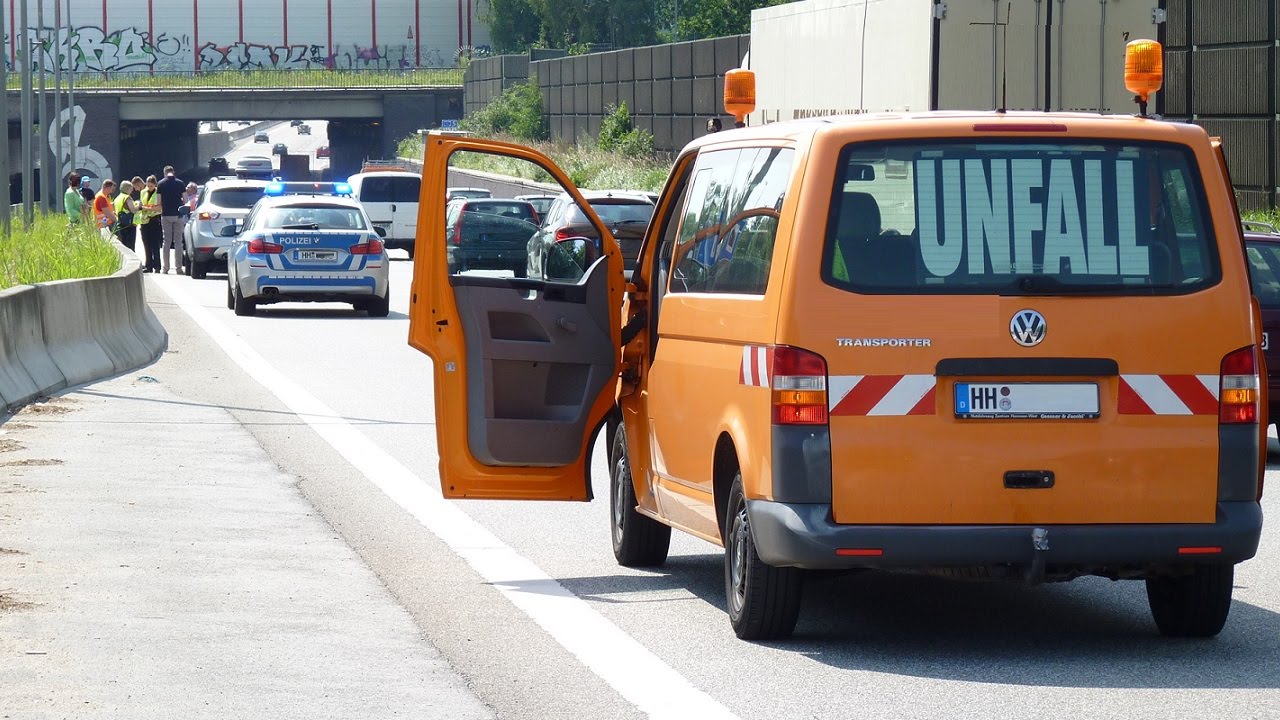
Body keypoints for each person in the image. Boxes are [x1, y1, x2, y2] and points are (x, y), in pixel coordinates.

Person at [157, 165, 188, 274]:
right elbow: (185, 199)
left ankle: (165, 268)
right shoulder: (180, 183)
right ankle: (179, 268)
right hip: (178, 215)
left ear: (165, 173)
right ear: (173, 172)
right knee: (178, 242)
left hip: (166, 215)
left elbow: (158, 202)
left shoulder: (160, 184)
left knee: (166, 241)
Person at [137, 175, 163, 273]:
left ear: (155, 185)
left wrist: (147, 208)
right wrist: (140, 206)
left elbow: (159, 207)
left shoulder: (158, 193)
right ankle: (149, 265)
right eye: (148, 186)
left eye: (151, 186)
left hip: (154, 219)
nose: (149, 188)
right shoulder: (143, 192)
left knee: (155, 244)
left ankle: (157, 266)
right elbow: (142, 203)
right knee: (146, 244)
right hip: (144, 221)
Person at [112, 180, 139, 252]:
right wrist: (138, 205)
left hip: (120, 223)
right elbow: (133, 210)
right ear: (127, 189)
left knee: (123, 246)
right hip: (129, 225)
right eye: (131, 189)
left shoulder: (117, 198)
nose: (132, 191)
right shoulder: (127, 197)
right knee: (130, 246)